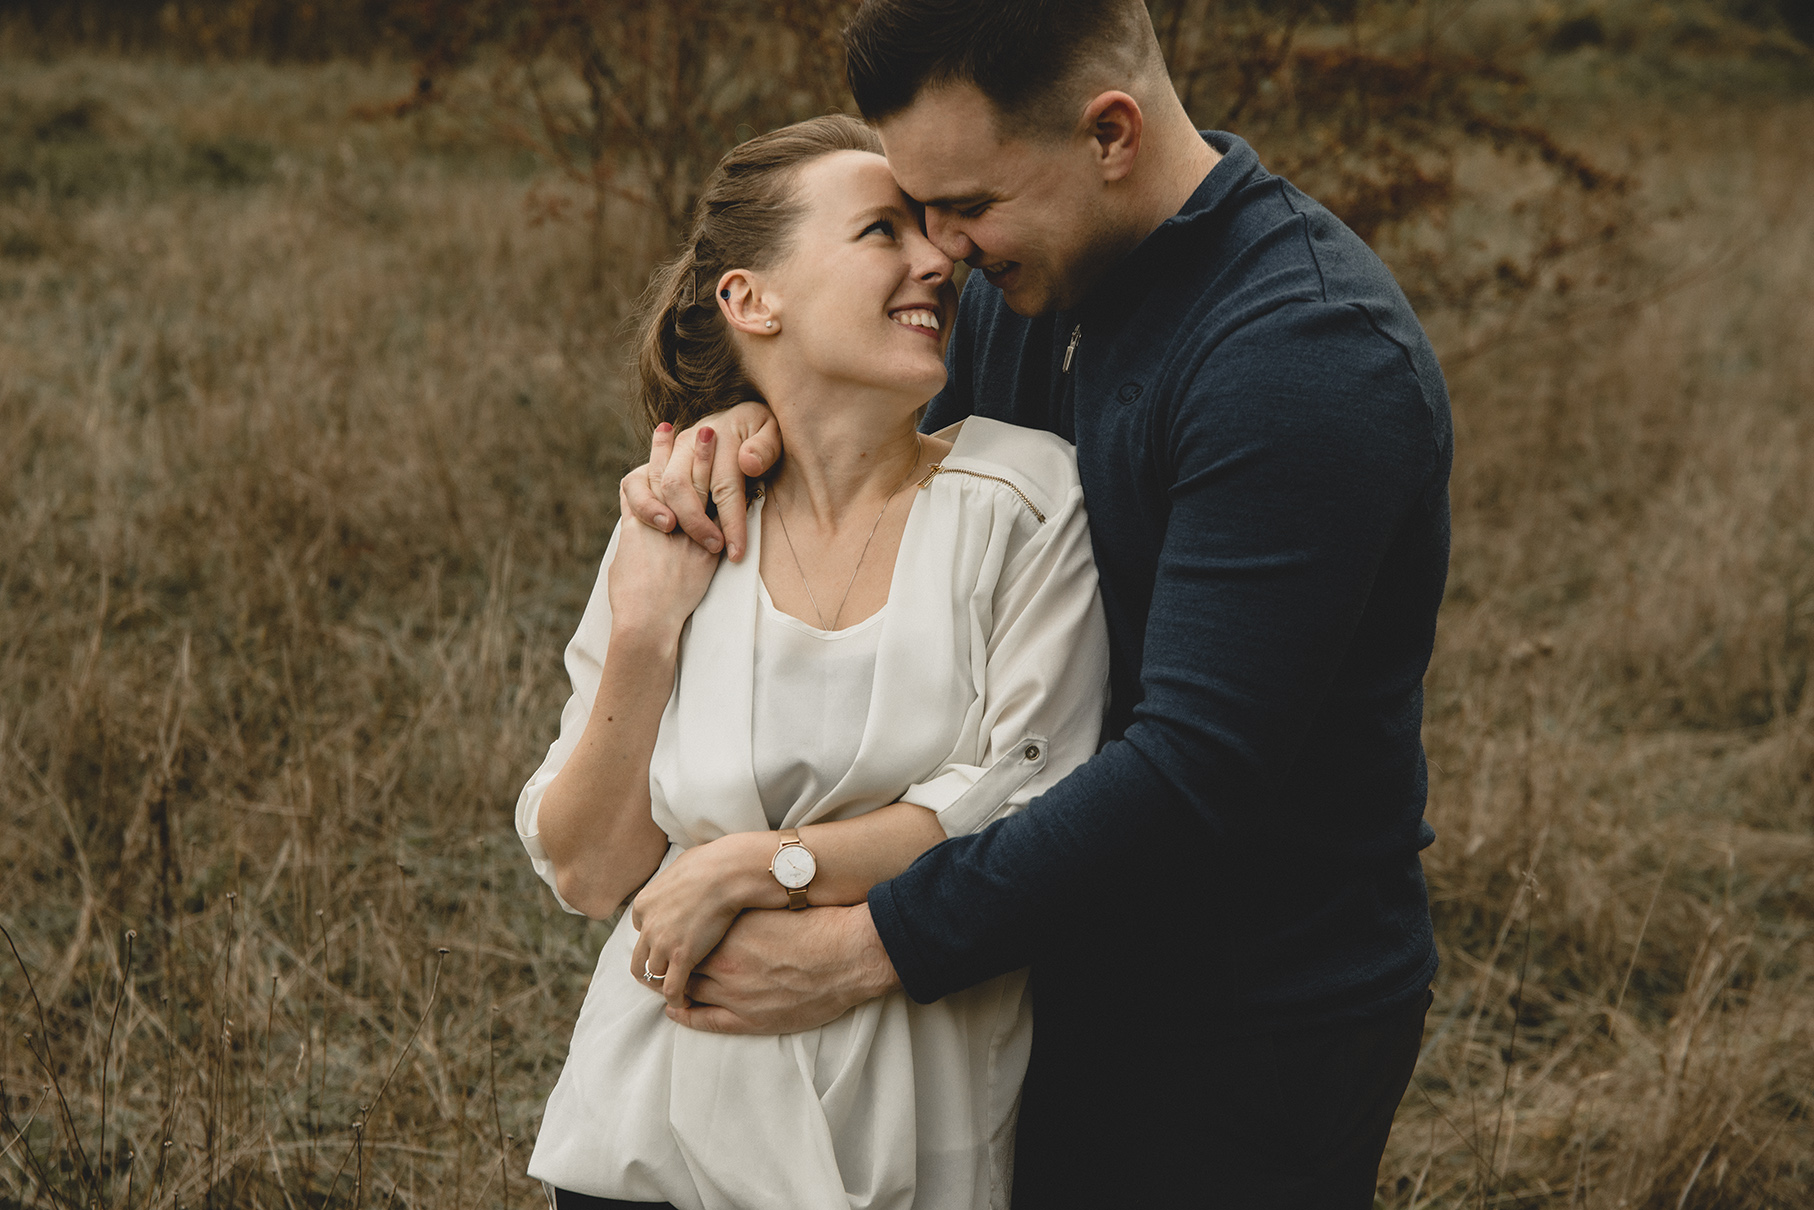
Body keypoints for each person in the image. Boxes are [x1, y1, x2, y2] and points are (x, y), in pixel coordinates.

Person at [620, 2, 1454, 1206]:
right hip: (1023, 966)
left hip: (1239, 1024)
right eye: (914, 211)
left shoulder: (1303, 358)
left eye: (964, 205)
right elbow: (894, 444)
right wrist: (752, 424)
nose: (942, 248)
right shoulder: (1045, 269)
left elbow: (1191, 773)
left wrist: (866, 948)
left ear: (1108, 133)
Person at [515, 114, 1110, 1210]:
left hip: (897, 1153)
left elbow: (1027, 808)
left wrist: (758, 864)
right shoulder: (677, 522)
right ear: (752, 300)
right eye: (882, 230)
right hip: (648, 1140)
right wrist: (645, 634)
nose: (938, 258)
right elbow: (590, 872)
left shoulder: (1021, 499)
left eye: (934, 233)